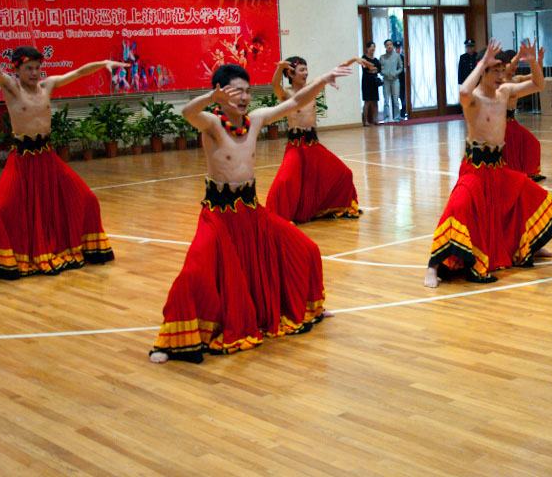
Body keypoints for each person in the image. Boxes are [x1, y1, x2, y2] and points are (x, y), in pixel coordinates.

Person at [149, 62, 352, 364]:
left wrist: (322, 78)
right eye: (236, 91)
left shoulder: (254, 119)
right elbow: (188, 113)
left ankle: (310, 307)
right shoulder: (212, 124)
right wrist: (209, 98)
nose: (244, 97)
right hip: (218, 217)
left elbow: (296, 101)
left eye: (247, 91)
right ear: (220, 93)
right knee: (193, 272)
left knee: (306, 248)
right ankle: (171, 342)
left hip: (253, 213)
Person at [0, 47, 127, 280]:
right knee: (1, 208)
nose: (34, 73)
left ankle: (86, 248)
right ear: (17, 69)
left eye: (37, 68)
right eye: (28, 69)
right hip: (22, 161)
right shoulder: (11, 87)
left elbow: (78, 73)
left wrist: (102, 62)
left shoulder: (48, 85)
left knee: (87, 198)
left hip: (48, 158)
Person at [424, 39, 552, 288]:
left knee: (530, 192)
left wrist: (532, 62)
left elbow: (539, 84)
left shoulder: (505, 92)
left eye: (501, 71)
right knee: (459, 207)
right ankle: (433, 266)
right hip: (474, 170)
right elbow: (463, 92)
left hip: (498, 169)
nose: (500, 76)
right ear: (483, 72)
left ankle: (533, 244)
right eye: (494, 71)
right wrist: (482, 62)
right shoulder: (474, 98)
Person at [265, 55, 369, 223]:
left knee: (344, 173)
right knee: (285, 181)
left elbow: (333, 71)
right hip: (296, 146)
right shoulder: (286, 94)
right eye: (301, 70)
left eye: (306, 69)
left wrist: (355, 59)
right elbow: (275, 84)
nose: (305, 73)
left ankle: (328, 207)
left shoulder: (312, 88)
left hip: (313, 145)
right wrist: (279, 68)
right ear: (290, 74)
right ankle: (279, 217)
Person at [501, 48, 546, 182]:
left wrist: (538, 61)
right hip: (501, 123)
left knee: (532, 143)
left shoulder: (517, 79)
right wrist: (519, 55)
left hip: (512, 121)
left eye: (516, 64)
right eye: (512, 63)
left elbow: (537, 78)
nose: (515, 67)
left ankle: (530, 173)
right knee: (510, 151)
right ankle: (512, 176)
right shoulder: (500, 80)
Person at [380, 39, 403, 122]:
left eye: (390, 44)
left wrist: (395, 73)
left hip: (395, 80)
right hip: (386, 80)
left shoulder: (397, 56)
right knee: (386, 100)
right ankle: (386, 118)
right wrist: (384, 73)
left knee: (396, 100)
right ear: (385, 47)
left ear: (392, 46)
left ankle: (396, 117)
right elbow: (380, 69)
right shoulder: (382, 57)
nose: (389, 46)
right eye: (387, 45)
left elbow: (401, 67)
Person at [360, 41, 382, 126]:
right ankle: (365, 121)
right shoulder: (364, 58)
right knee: (367, 101)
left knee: (375, 101)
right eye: (371, 47)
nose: (372, 48)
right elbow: (366, 69)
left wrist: (373, 69)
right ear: (367, 48)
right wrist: (373, 69)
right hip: (366, 82)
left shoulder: (376, 60)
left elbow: (378, 70)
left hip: (374, 82)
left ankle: (376, 119)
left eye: (374, 47)